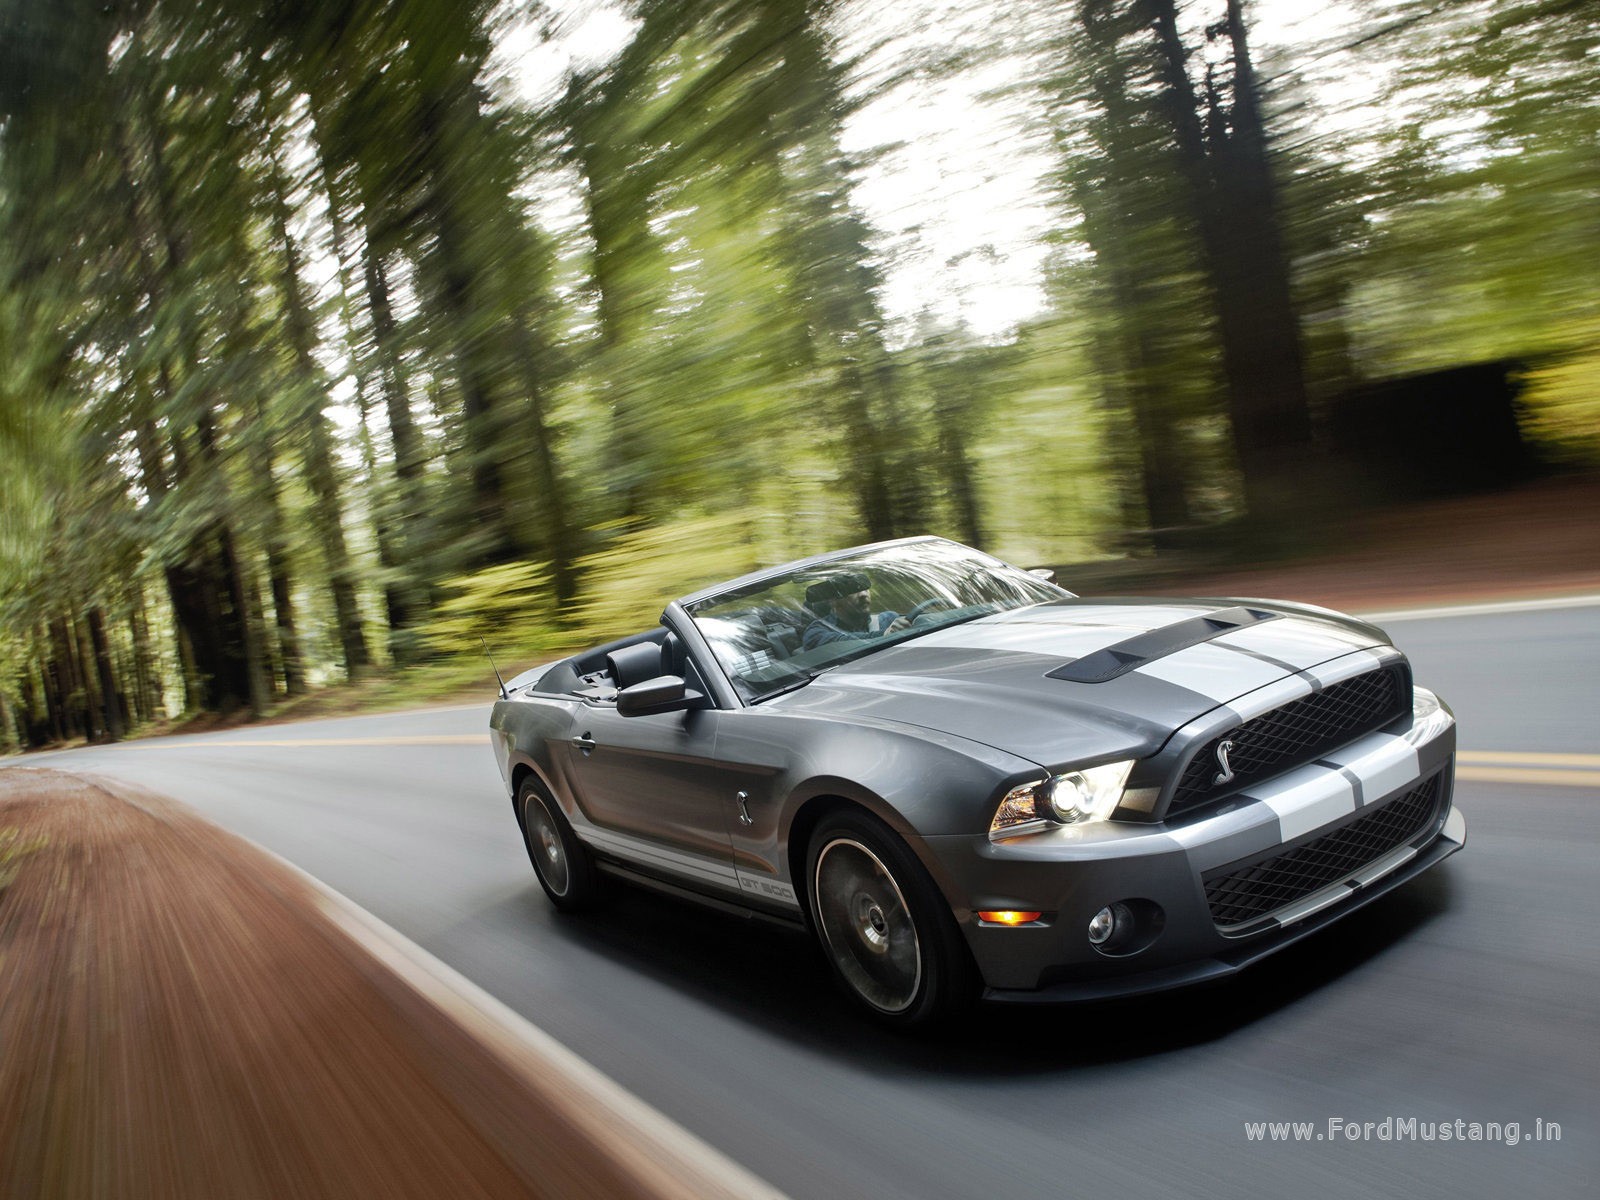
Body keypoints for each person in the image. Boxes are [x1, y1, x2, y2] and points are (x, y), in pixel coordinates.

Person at [802, 572, 911, 650]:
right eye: (852, 590)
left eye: (865, 587)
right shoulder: (816, 633)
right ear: (833, 601)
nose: (863, 594)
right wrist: (885, 634)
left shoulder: (888, 619)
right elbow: (842, 643)